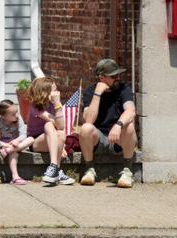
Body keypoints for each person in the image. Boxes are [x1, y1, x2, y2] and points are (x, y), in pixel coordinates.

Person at [79, 59, 137, 188]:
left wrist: (118, 125)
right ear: (102, 78)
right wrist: (98, 94)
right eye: (113, 76)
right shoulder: (90, 91)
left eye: (118, 75)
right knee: (85, 128)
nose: (118, 78)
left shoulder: (124, 89)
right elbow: (88, 120)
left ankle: (127, 171)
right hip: (98, 139)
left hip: (118, 140)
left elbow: (131, 111)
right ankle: (89, 170)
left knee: (129, 125)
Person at [25, 77, 74, 185]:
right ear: (45, 92)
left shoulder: (53, 105)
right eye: (54, 90)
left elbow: (61, 127)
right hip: (36, 142)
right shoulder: (35, 107)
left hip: (52, 138)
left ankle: (56, 171)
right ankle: (53, 166)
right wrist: (59, 148)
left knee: (61, 134)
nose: (57, 93)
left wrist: (57, 103)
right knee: (48, 124)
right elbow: (55, 122)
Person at [0, 99, 35, 185]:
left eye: (17, 112)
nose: (17, 115)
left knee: (31, 139)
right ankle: (15, 177)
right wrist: (5, 145)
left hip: (15, 146)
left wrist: (17, 140)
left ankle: (10, 150)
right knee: (14, 153)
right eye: (13, 114)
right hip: (3, 148)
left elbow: (23, 135)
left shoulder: (18, 118)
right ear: (4, 116)